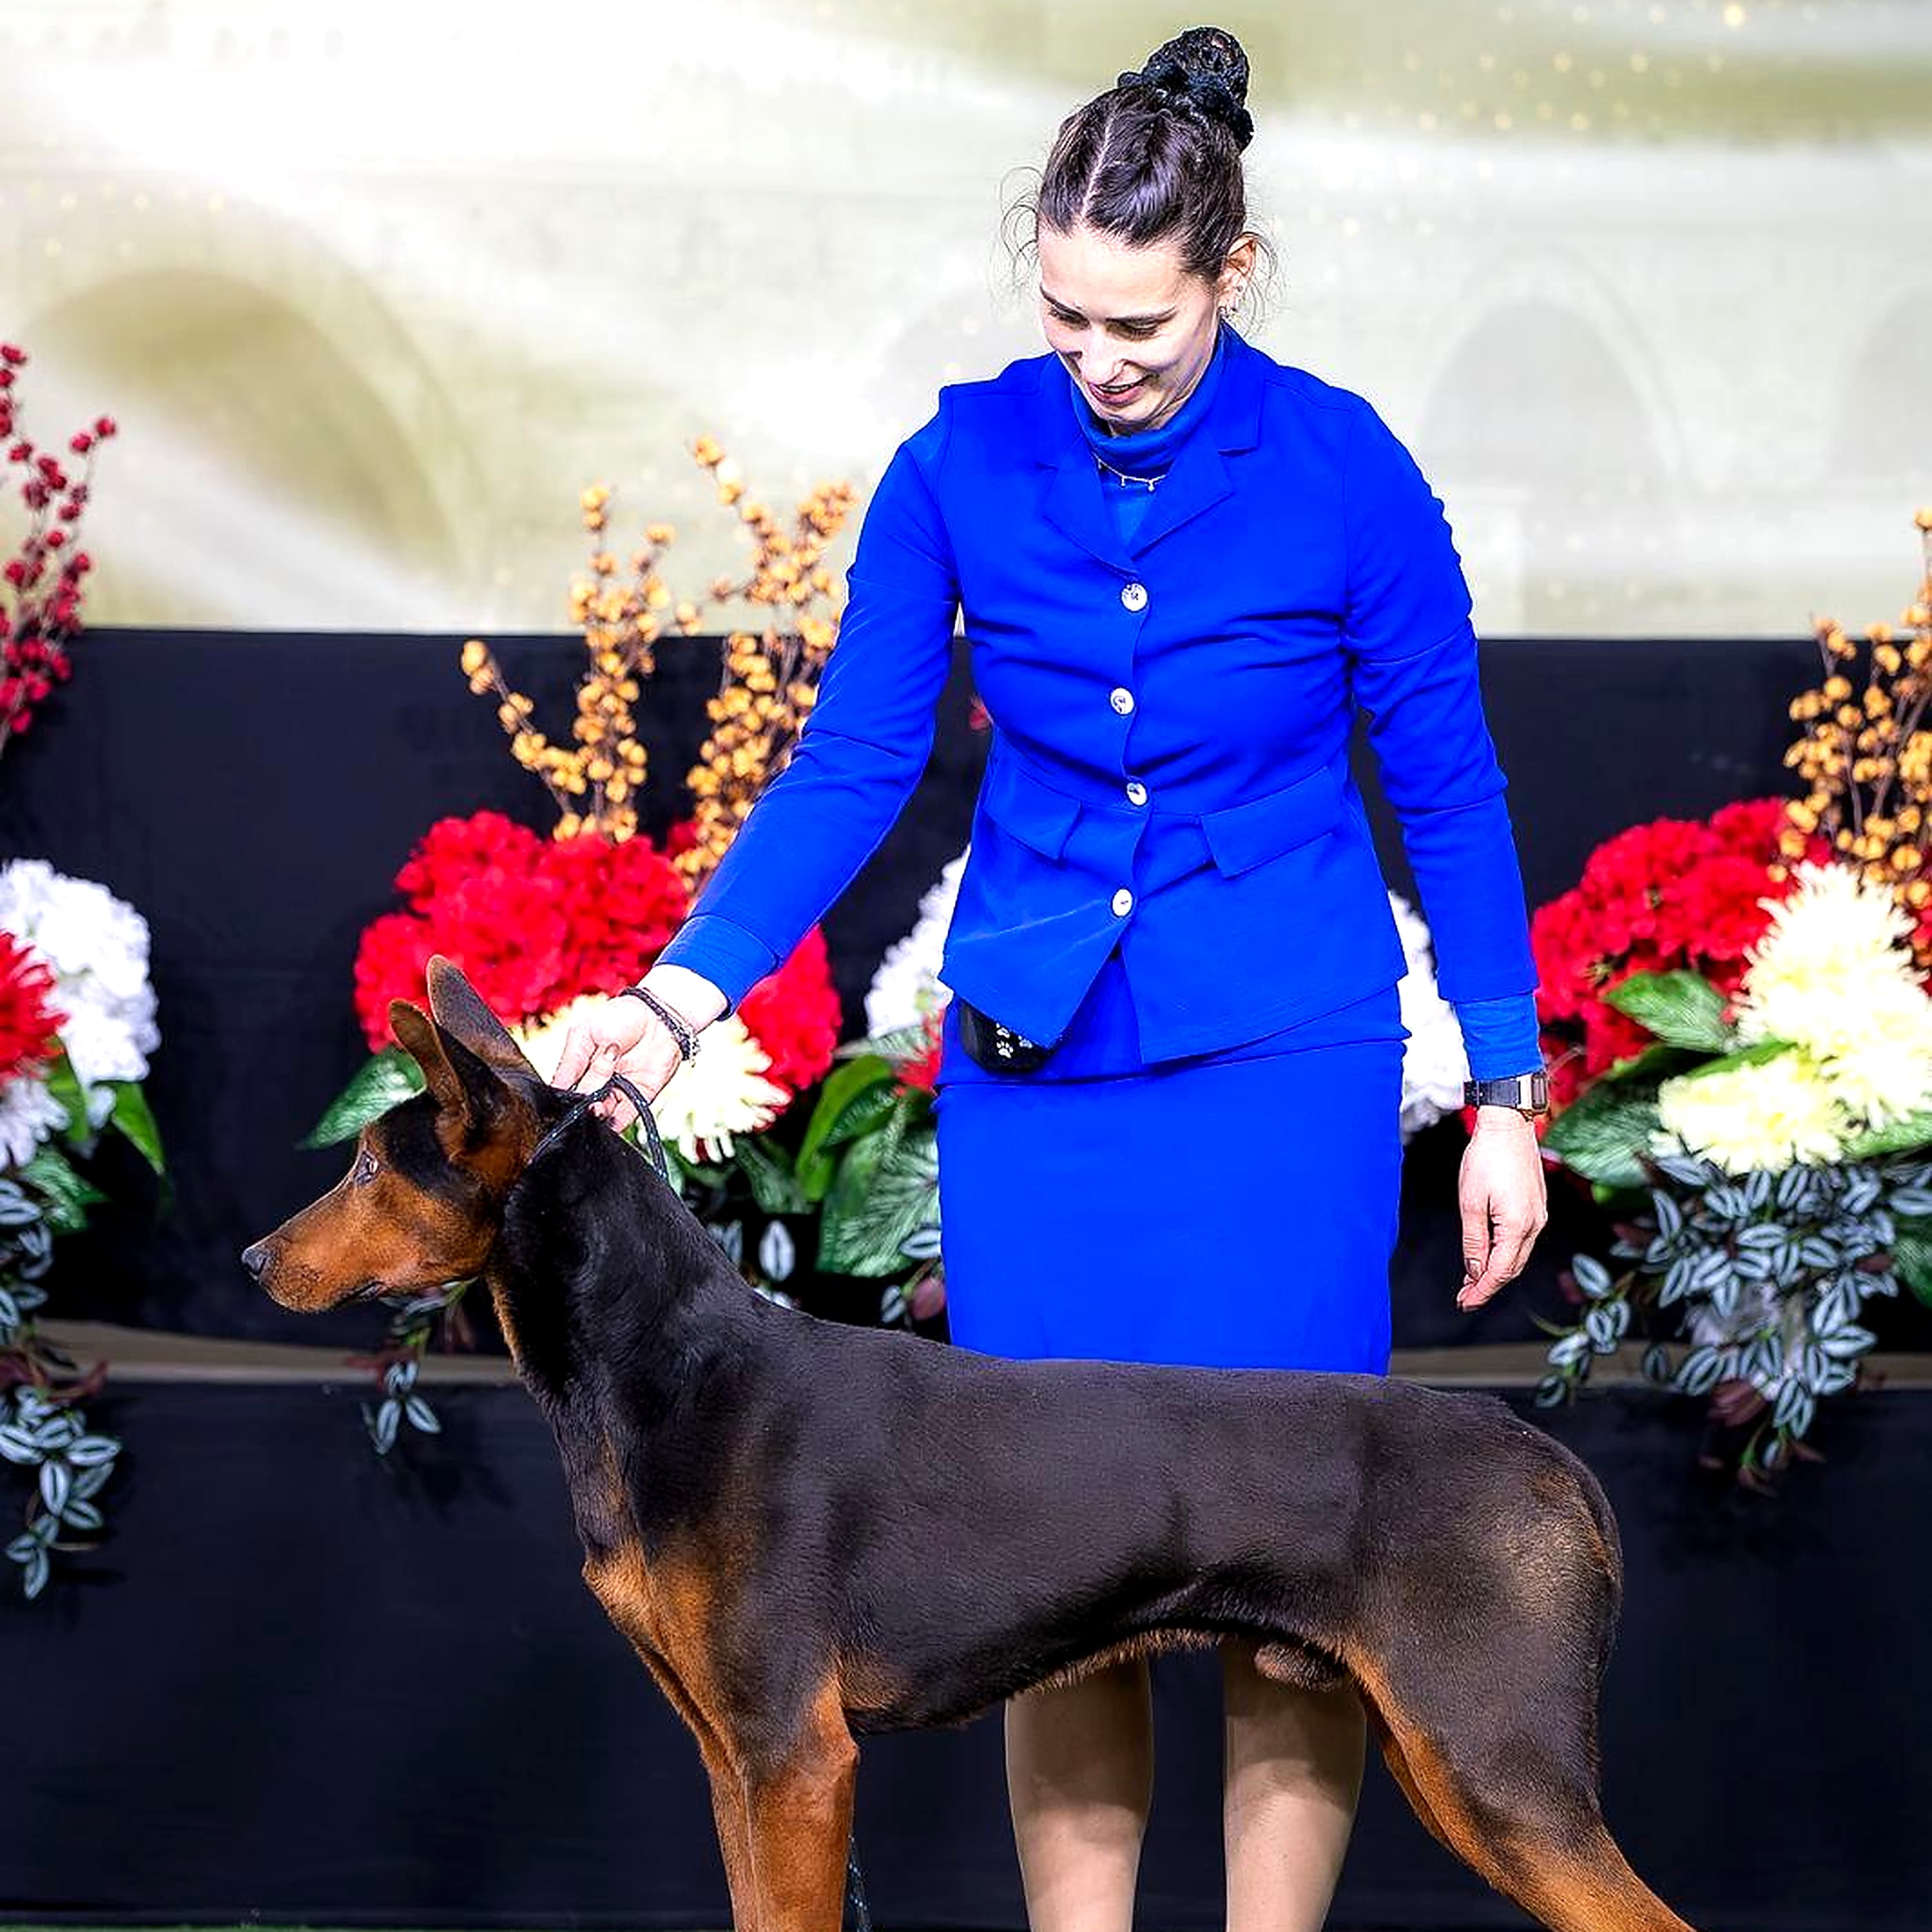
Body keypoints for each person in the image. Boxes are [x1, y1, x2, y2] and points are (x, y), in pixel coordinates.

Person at [552, 25, 1550, 1932]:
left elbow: (1449, 783)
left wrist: (1506, 1090)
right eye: (1067, 314)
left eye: (1142, 326)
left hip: (1284, 1063)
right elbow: (855, 760)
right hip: (1041, 1079)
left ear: (1231, 274)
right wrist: (681, 998)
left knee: (1294, 1583)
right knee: (1055, 1581)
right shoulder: (956, 461)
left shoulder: (1347, 470)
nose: (1099, 360)